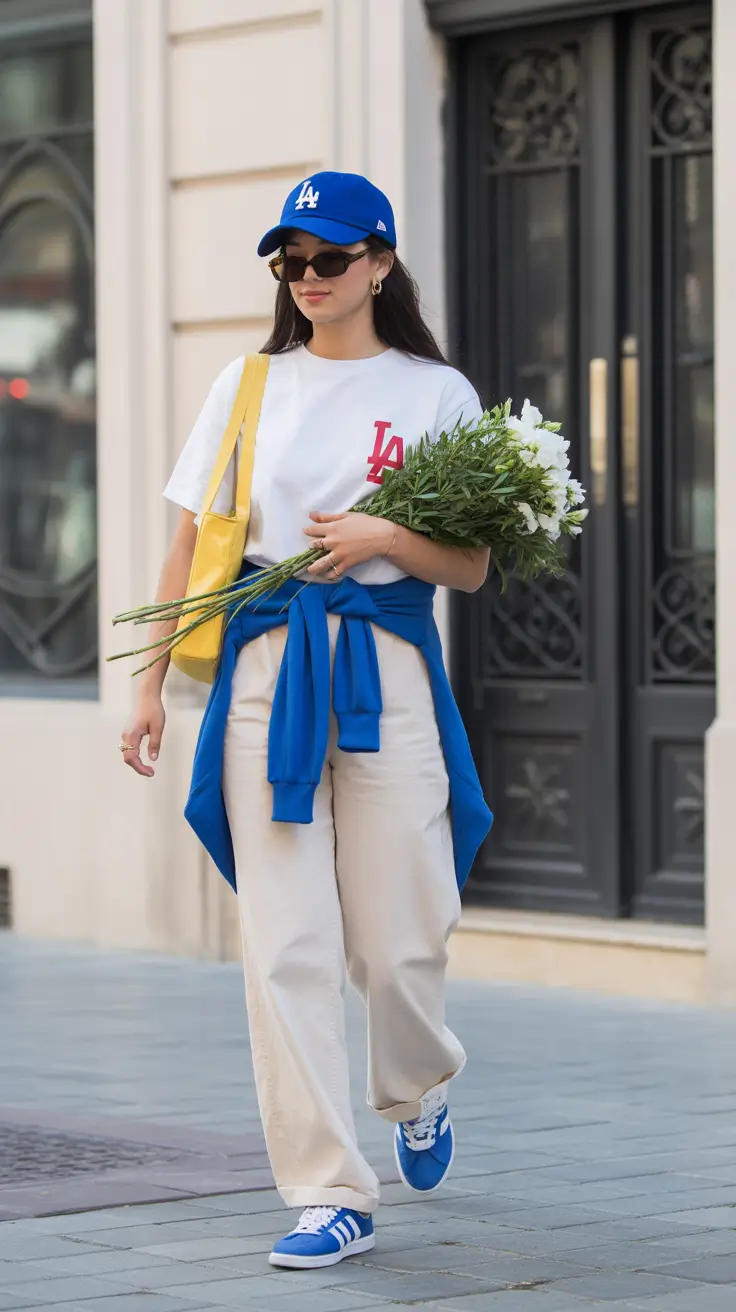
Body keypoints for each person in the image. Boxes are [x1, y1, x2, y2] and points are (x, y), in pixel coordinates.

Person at [120, 171, 493, 1270]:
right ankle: (329, 1188)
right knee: (285, 940)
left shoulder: (436, 393)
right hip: (264, 666)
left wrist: (383, 533)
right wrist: (148, 684)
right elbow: (189, 547)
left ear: (379, 261)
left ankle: (417, 1083)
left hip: (385, 662)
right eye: (291, 262)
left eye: (329, 258)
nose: (309, 279)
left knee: (400, 935)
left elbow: (469, 565)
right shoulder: (246, 384)